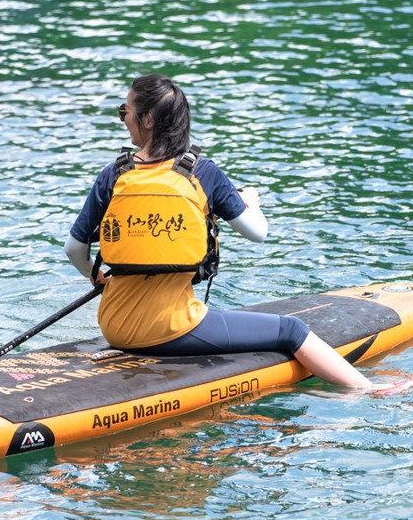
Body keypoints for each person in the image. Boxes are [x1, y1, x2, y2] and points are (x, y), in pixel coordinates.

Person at [64, 73, 383, 390]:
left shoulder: (114, 174)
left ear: (146, 119)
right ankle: (370, 390)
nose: (123, 119)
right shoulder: (202, 172)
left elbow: (75, 249)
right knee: (292, 330)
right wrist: (252, 202)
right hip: (171, 330)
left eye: (125, 111)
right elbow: (257, 234)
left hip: (114, 326)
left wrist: (96, 278)